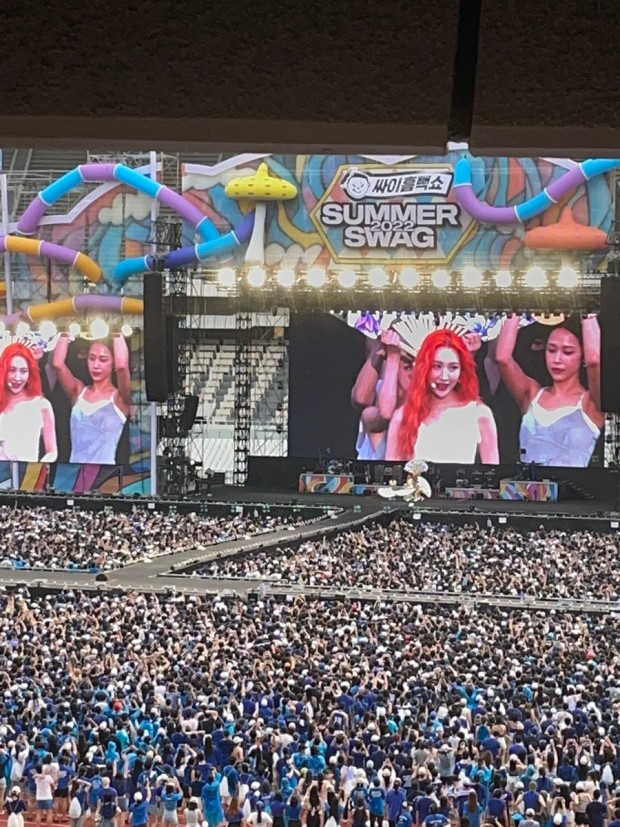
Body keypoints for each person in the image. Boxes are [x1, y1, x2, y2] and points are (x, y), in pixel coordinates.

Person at [495, 314, 603, 467]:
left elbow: (594, 360)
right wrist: (515, 308)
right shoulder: (532, 395)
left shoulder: (591, 404)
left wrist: (587, 312)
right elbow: (502, 358)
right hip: (527, 482)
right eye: (551, 350)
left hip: (572, 482)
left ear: (582, 356)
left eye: (567, 352)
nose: (557, 359)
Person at [386, 329, 499, 463]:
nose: (444, 376)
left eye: (453, 367)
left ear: (461, 371)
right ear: (424, 368)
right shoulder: (402, 416)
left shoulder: (479, 414)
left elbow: (492, 472)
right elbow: (392, 473)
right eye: (437, 366)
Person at [52, 334, 131, 465]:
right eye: (92, 358)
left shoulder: (119, 398)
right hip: (75, 472)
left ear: (113, 363)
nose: (96, 365)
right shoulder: (78, 392)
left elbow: (122, 366)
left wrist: (117, 332)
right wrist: (65, 331)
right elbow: (57, 364)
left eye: (103, 360)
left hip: (104, 473)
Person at [352, 330, 414, 461]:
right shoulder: (373, 410)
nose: (413, 374)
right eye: (408, 367)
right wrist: (388, 351)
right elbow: (361, 399)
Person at [0, 343, 57, 463]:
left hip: (29, 472)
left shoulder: (41, 405)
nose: (17, 377)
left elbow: (52, 452)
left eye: (23, 371)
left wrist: (35, 469)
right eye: (12, 370)